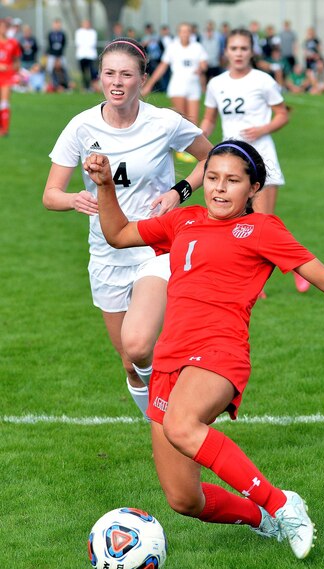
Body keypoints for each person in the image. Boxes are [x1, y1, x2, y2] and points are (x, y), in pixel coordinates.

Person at [84, 139, 324, 560]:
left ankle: (283, 507)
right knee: (183, 500)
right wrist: (104, 185)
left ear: (253, 188)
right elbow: (119, 234)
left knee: (181, 426)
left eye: (232, 181)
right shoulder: (183, 221)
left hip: (219, 352)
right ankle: (260, 517)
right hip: (170, 359)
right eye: (212, 178)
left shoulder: (263, 230)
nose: (219, 189)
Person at [43, 38, 213, 419]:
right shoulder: (81, 127)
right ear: (99, 77)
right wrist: (74, 199)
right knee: (130, 363)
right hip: (107, 252)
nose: (116, 82)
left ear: (143, 79)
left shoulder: (164, 122)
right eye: (109, 74)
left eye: (126, 74)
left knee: (138, 346)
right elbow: (50, 194)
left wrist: (179, 190)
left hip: (155, 247)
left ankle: (173, 424)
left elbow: (211, 158)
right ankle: (160, 421)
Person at [201, 28, 308, 295]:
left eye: (243, 48)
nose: (238, 53)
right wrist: (193, 138)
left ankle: (288, 271)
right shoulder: (216, 84)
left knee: (261, 222)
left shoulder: (263, 81)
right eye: (234, 48)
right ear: (226, 51)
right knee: (237, 222)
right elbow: (210, 119)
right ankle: (276, 272)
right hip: (231, 161)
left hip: (261, 158)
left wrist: (262, 129)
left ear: (252, 51)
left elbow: (283, 115)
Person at [141, 22, 208, 129]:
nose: (185, 34)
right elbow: (162, 66)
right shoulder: (173, 47)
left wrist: (200, 69)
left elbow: (204, 64)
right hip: (178, 86)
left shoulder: (197, 47)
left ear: (190, 33)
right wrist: (149, 85)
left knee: (194, 123)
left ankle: (194, 144)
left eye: (187, 31)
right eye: (182, 31)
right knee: (183, 120)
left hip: (193, 86)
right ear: (178, 33)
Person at [0, 18, 22, 137]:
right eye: (1, 27)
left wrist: (15, 73)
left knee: (4, 101)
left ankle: (5, 129)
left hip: (7, 77)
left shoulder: (13, 43)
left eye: (5, 27)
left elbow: (16, 61)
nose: (3, 29)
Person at [75, 19, 98, 91]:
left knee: (92, 71)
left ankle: (92, 86)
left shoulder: (93, 32)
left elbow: (92, 43)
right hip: (81, 55)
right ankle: (85, 86)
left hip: (90, 55)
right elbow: (78, 42)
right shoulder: (79, 32)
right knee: (83, 72)